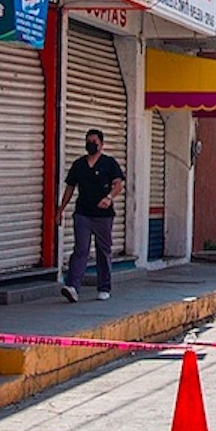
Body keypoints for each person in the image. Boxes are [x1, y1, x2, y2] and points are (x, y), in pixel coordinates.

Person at [57, 128, 125, 302]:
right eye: (88, 141)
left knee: (103, 251)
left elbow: (118, 184)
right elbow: (70, 187)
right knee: (80, 249)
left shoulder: (109, 164)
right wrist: (61, 209)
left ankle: (104, 287)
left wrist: (109, 198)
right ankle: (72, 286)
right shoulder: (79, 165)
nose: (91, 145)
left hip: (103, 216)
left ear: (101, 144)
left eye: (94, 142)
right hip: (83, 214)